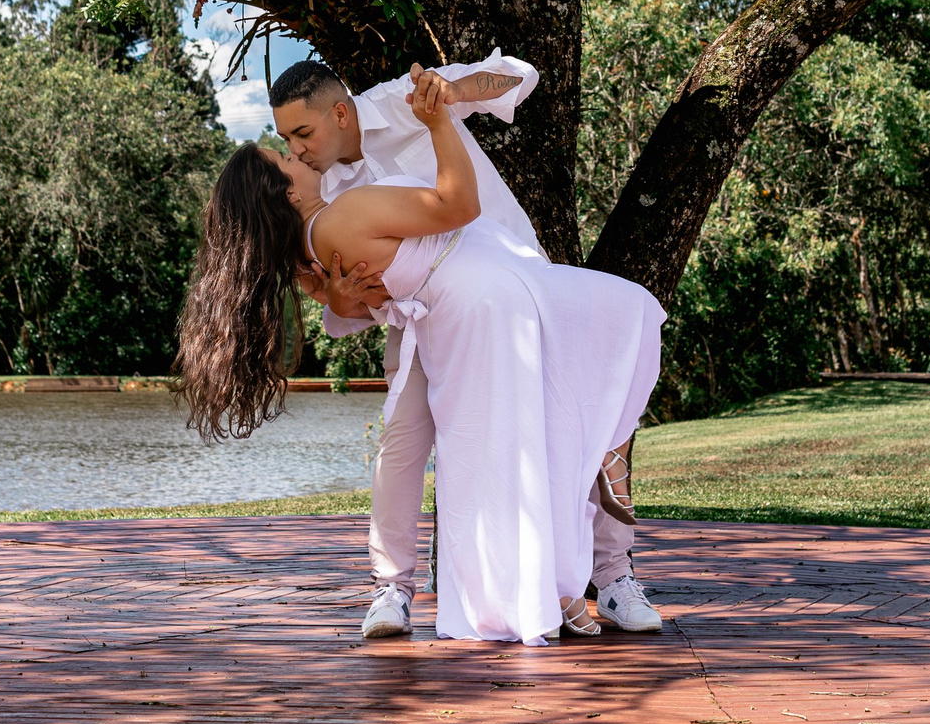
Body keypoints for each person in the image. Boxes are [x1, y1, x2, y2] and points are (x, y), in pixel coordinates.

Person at [180, 67, 663, 644]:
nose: (297, 150)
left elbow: (516, 75)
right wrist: (338, 298)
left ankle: (607, 575)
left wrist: (450, 100)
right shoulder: (322, 199)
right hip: (433, 315)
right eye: (285, 146)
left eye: (300, 135)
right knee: (410, 446)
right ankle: (397, 588)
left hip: (509, 279)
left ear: (339, 113)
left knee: (565, 413)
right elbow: (349, 293)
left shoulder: (404, 103)